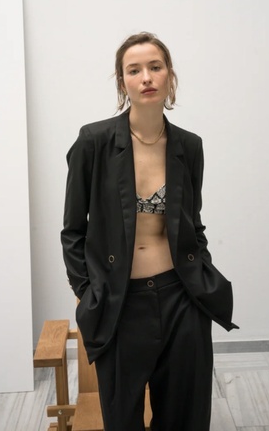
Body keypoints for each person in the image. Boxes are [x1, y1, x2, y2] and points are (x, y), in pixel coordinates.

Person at [61, 32, 238, 431]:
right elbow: (73, 230)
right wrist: (87, 292)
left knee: (185, 416)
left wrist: (201, 272)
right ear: (122, 81)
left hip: (182, 297)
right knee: (122, 417)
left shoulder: (189, 146)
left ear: (169, 76)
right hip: (120, 301)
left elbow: (193, 223)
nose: (146, 77)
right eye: (134, 69)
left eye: (155, 67)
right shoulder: (93, 142)